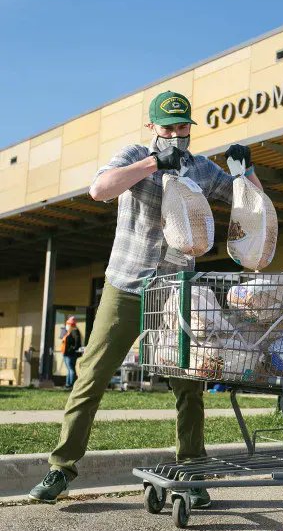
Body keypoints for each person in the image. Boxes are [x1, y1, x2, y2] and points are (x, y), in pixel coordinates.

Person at [29, 90, 262, 503]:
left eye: (182, 127)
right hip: (126, 286)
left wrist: (247, 171)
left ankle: (192, 471)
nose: (176, 134)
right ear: (152, 126)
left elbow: (247, 202)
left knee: (188, 386)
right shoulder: (135, 154)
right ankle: (61, 469)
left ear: (191, 128)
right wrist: (154, 163)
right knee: (91, 377)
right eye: (168, 127)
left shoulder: (202, 169)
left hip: (174, 294)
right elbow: (99, 189)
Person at [60, 316, 82, 389]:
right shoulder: (69, 332)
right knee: (70, 369)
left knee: (71, 369)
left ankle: (70, 384)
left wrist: (72, 349)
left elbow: (77, 342)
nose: (67, 325)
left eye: (68, 324)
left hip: (70, 354)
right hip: (67, 353)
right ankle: (68, 384)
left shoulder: (74, 331)